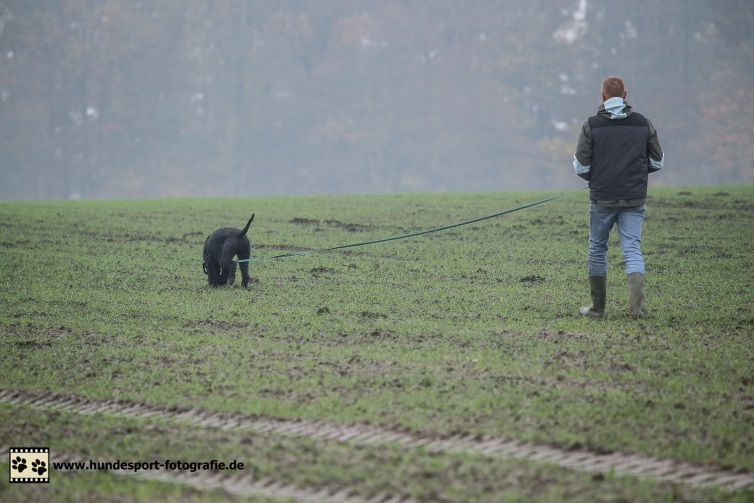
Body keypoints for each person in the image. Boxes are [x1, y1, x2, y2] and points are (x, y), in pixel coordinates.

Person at [572, 76, 664, 317]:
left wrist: (597, 177)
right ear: (625, 96)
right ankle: (637, 309)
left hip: (602, 198)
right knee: (632, 249)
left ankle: (597, 309)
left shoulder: (590, 125)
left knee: (597, 249)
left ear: (603, 96)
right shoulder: (644, 123)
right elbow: (657, 161)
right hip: (634, 198)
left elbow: (581, 168)